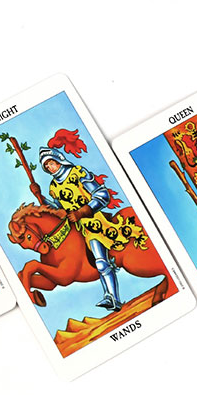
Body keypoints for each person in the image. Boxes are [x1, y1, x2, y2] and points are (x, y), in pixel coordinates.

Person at [30, 129, 124, 311]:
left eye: (51, 163)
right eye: (47, 166)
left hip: (93, 222)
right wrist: (40, 196)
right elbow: (58, 209)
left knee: (101, 262)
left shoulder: (77, 173)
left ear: (58, 159)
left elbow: (102, 195)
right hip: (76, 227)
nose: (50, 168)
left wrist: (82, 212)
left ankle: (113, 298)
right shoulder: (53, 186)